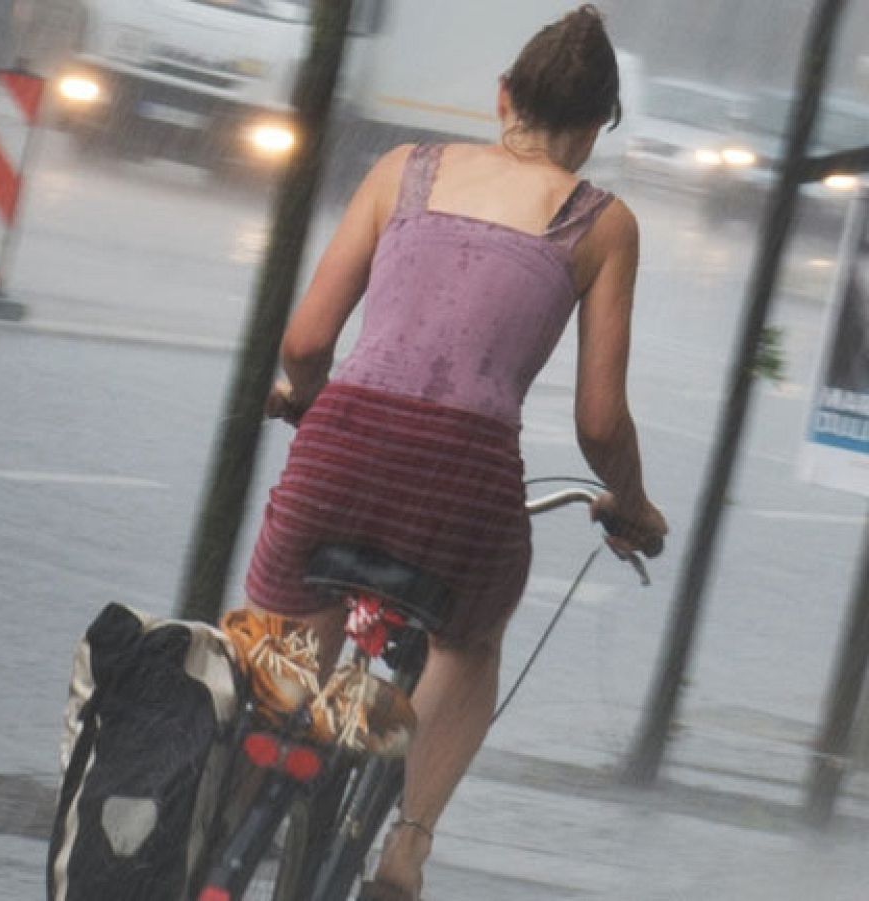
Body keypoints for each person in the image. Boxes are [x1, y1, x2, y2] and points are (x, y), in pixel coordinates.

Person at [245, 6, 668, 899]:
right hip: (464, 483)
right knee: (467, 644)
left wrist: (314, 405)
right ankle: (409, 841)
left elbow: (306, 339)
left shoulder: (403, 171)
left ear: (503, 95)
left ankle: (252, 785)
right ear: (596, 129)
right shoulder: (602, 223)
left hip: (341, 447)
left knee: (293, 605)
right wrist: (633, 499)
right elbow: (599, 423)